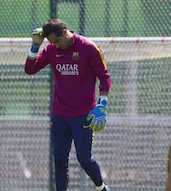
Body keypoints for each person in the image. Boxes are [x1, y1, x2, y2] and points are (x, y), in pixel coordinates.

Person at [25, 19, 111, 191]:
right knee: (60, 161)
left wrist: (102, 104)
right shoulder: (51, 49)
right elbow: (30, 69)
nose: (55, 45)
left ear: (65, 33)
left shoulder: (87, 47)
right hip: (59, 115)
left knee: (84, 159)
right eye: (51, 42)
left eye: (57, 41)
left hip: (82, 116)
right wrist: (35, 46)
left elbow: (104, 76)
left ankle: (101, 188)